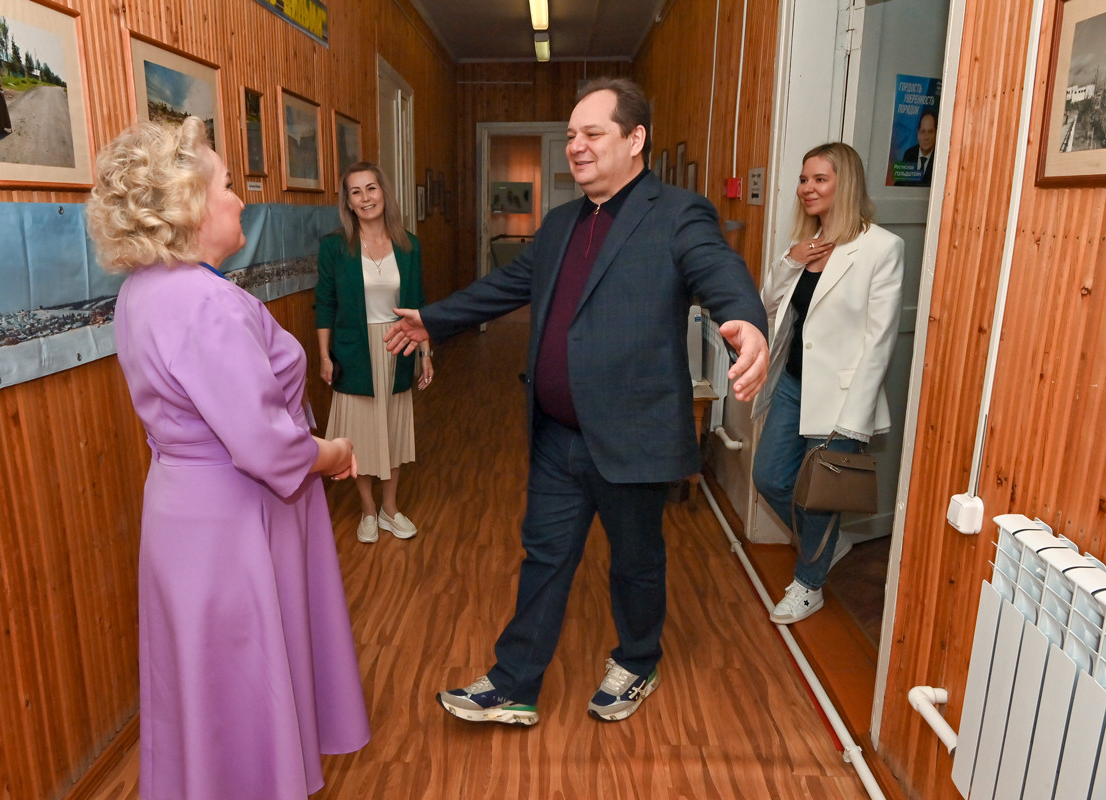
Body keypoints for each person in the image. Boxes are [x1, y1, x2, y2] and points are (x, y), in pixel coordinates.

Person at [384, 77, 769, 726]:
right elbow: (508, 284)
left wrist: (747, 320)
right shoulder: (561, 223)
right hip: (558, 434)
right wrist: (434, 318)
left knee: (636, 563)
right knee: (545, 557)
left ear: (635, 139)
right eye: (570, 135)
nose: (576, 146)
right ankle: (514, 685)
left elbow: (719, 269)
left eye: (592, 133)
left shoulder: (678, 214)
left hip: (632, 434)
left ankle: (637, 661)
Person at [85, 116, 369, 798]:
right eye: (228, 185)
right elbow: (265, 444)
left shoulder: (141, 291)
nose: (240, 199)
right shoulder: (205, 301)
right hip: (234, 518)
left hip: (180, 509)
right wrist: (333, 453)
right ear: (191, 205)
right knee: (244, 670)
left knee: (204, 675)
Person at [752, 142, 904, 625]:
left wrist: (853, 422)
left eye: (820, 179)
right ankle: (827, 545)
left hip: (841, 397)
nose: (807, 188)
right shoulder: (805, 244)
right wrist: (789, 261)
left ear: (846, 183)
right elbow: (766, 306)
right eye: (804, 179)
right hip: (792, 384)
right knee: (769, 477)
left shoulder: (881, 248)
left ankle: (808, 584)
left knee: (820, 497)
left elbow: (880, 341)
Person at [316, 161, 433, 543]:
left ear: (384, 193)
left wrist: (425, 354)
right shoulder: (335, 247)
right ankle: (368, 509)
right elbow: (325, 303)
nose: (366, 198)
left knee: (392, 430)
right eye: (356, 192)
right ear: (348, 202)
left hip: (398, 344)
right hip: (354, 350)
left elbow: (417, 304)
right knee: (361, 433)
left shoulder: (408, 244)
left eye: (371, 188)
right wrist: (324, 356)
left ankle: (390, 508)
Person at [895, 109, 937, 186]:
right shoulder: (909, 154)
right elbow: (900, 184)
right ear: (918, 134)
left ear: (936, 134)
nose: (926, 137)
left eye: (930, 132)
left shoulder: (939, 158)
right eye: (923, 132)